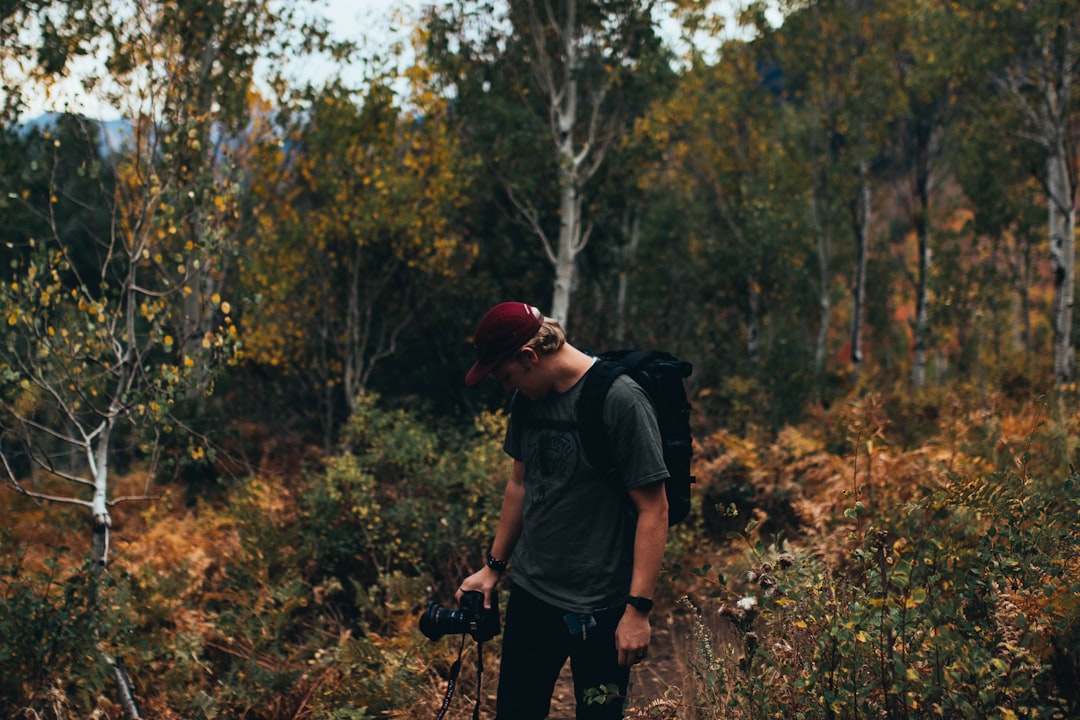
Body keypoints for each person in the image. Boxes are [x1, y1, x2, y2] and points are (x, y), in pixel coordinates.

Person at [458, 301, 669, 720]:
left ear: (530, 357)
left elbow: (654, 509)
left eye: (507, 375)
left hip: (600, 608)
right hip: (531, 596)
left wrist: (636, 611)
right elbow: (520, 484)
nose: (507, 387)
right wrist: (493, 567)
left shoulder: (620, 399)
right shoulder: (528, 402)